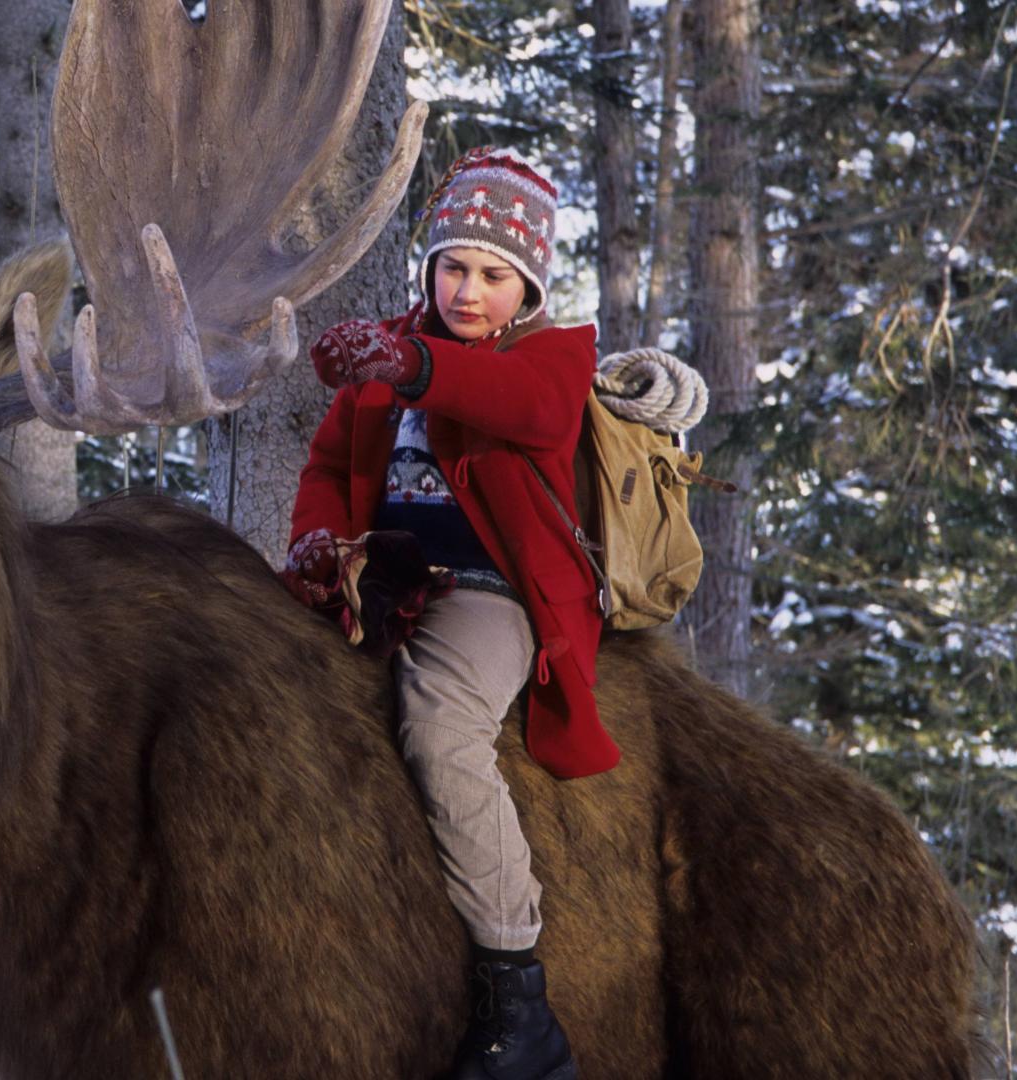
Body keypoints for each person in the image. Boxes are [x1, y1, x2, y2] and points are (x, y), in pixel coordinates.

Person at [282, 147, 615, 1080]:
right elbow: (324, 467)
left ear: (529, 287)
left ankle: (517, 987)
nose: (469, 290)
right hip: (383, 577)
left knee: (439, 728)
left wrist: (414, 362)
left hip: (489, 594)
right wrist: (321, 546)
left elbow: (527, 410)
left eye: (494, 275)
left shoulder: (549, 357)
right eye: (454, 266)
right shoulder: (395, 352)